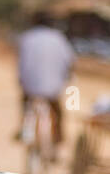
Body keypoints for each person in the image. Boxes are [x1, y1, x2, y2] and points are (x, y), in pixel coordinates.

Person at [15, 11, 74, 150]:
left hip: (30, 87)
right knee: (58, 111)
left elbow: (21, 64)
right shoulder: (59, 38)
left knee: (24, 103)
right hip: (52, 88)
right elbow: (69, 61)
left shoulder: (26, 38)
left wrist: (22, 81)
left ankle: (22, 127)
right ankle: (58, 137)